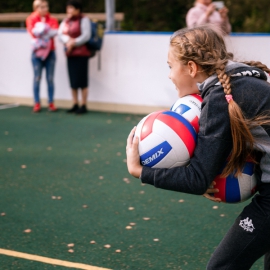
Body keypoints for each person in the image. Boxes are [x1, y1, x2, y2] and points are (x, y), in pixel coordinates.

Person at [126, 25, 270, 269]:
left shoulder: (219, 98)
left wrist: (140, 171)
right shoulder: (242, 79)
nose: (170, 75)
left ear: (191, 68)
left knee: (222, 266)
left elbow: (197, 180)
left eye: (170, 66)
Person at [58, 0, 91, 115]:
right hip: (70, 54)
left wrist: (73, 42)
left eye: (71, 8)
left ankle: (83, 104)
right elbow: (60, 34)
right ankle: (75, 103)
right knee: (73, 81)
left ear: (78, 9)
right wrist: (68, 41)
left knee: (82, 81)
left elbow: (86, 35)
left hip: (82, 55)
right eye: (68, 8)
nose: (69, 10)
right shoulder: (66, 21)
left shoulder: (84, 19)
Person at [26, 0, 58, 113]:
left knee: (50, 79)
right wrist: (45, 31)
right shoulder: (31, 19)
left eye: (46, 6)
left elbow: (54, 31)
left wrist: (44, 31)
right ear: (36, 8)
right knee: (37, 77)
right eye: (42, 7)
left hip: (51, 52)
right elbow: (33, 32)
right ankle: (37, 103)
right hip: (37, 53)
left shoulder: (53, 19)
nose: (45, 9)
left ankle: (51, 102)